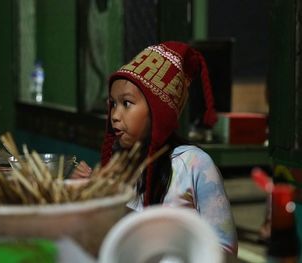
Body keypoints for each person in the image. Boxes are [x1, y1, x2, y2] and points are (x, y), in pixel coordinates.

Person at [73, 41, 238, 255]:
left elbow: (226, 251)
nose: (114, 115)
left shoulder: (194, 164)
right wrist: (87, 197)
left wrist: (118, 211)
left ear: (157, 112)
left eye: (127, 103)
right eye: (112, 103)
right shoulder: (120, 165)